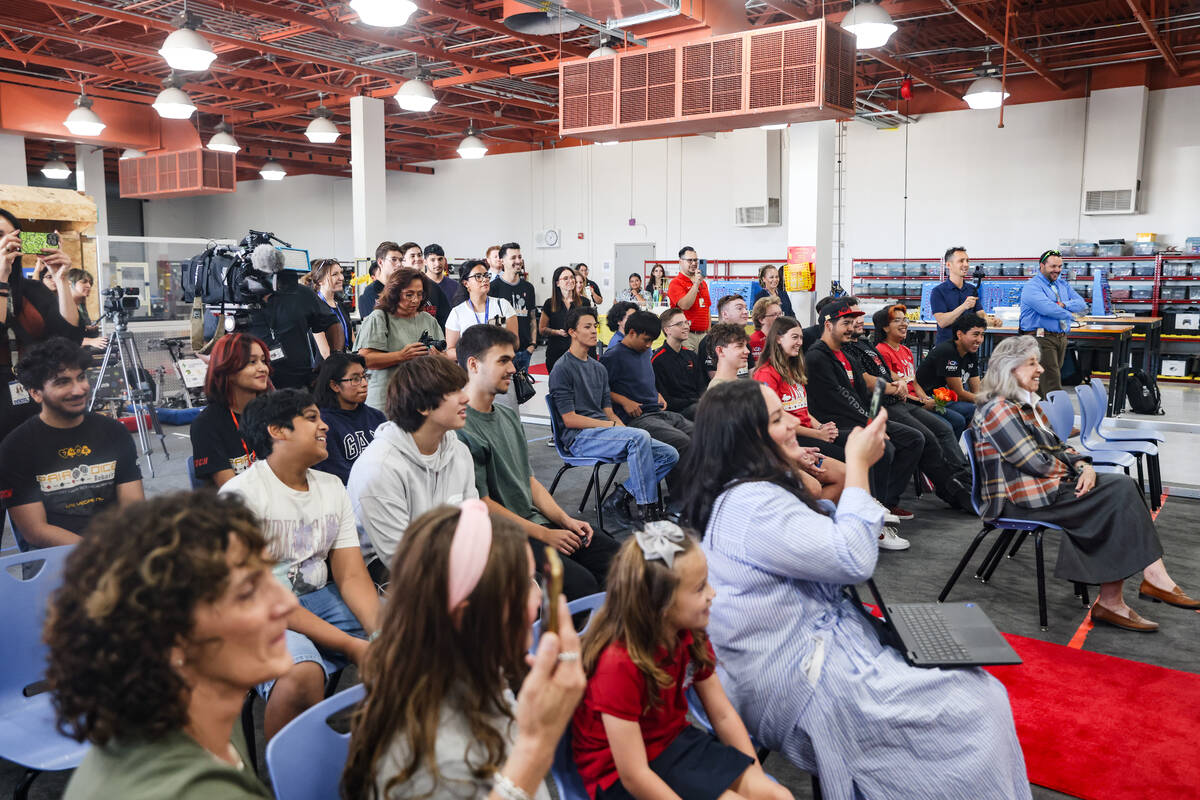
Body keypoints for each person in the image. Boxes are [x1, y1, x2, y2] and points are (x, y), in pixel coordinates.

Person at [680, 381, 1032, 800]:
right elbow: (851, 558)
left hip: (810, 653)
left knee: (976, 689)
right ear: (749, 439)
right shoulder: (752, 503)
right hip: (800, 677)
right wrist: (858, 467)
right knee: (979, 706)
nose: (794, 421)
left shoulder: (749, 492)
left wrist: (823, 475)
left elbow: (823, 537)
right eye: (778, 419)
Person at [47, 492, 292, 799]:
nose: (288, 602)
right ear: (171, 639)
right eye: (247, 592)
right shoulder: (197, 791)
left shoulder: (197, 712)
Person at [341, 503, 587, 800]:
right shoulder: (433, 754)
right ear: (467, 614)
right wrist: (539, 743)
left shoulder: (476, 675)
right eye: (524, 584)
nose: (537, 597)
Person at [973, 336, 1198, 631]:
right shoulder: (998, 409)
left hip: (1043, 488)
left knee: (1119, 490)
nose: (1040, 369)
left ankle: (1129, 593)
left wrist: (1082, 465)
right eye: (1031, 363)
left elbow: (1058, 446)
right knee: (1116, 493)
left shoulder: (1025, 404)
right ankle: (1132, 591)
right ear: (1009, 369)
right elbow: (1036, 462)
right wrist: (1078, 472)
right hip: (1020, 500)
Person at [572, 526, 789, 800]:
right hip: (618, 776)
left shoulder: (689, 631)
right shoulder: (618, 664)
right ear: (661, 605)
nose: (712, 594)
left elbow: (722, 714)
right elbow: (634, 775)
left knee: (777, 795)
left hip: (672, 744)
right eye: (700, 588)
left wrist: (755, 778)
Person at [220, 388, 380, 740]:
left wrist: (381, 633)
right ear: (277, 431)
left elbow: (351, 574)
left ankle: (396, 751)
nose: (324, 426)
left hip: (318, 597)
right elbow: (268, 601)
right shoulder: (240, 496)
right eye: (311, 419)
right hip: (256, 611)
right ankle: (290, 780)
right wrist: (354, 645)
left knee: (407, 637)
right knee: (301, 674)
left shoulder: (331, 485)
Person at [458, 324, 620, 599]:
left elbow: (529, 481)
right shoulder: (461, 429)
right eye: (503, 360)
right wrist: (544, 535)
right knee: (580, 585)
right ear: (474, 364)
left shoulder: (508, 416)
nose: (513, 368)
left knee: (615, 558)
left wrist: (565, 520)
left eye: (512, 359)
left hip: (535, 523)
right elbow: (483, 505)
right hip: (504, 535)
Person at [0, 337, 143, 548]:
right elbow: (35, 531)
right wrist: (97, 551)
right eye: (62, 382)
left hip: (118, 547)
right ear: (35, 393)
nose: (78, 390)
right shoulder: (16, 448)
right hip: (57, 560)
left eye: (81, 377)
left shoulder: (114, 432)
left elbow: (134, 506)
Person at [347, 355, 478, 580]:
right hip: (390, 570)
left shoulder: (458, 451)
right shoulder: (379, 468)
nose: (465, 397)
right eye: (454, 392)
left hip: (446, 556)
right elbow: (400, 557)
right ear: (423, 406)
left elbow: (472, 523)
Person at [549, 307, 679, 525]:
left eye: (595, 326)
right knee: (638, 438)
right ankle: (648, 513)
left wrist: (620, 427)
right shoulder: (562, 368)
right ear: (572, 332)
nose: (593, 331)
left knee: (670, 454)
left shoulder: (598, 368)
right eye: (587, 327)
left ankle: (620, 497)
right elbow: (569, 419)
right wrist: (610, 425)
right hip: (578, 438)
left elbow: (608, 410)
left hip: (601, 432)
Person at [844, 309, 972, 513]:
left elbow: (886, 371)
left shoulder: (866, 344)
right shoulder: (847, 349)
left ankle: (965, 481)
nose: (857, 322)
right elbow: (866, 380)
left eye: (858, 318)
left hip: (899, 400)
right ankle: (953, 491)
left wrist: (899, 381)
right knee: (924, 438)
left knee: (944, 429)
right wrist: (897, 387)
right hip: (880, 403)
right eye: (849, 320)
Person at [806, 301, 921, 523]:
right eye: (845, 323)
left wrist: (876, 419)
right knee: (883, 446)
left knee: (914, 439)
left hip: (857, 418)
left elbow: (862, 395)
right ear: (829, 325)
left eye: (852, 322)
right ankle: (869, 512)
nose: (851, 327)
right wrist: (871, 427)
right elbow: (843, 399)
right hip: (835, 424)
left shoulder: (847, 356)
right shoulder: (817, 357)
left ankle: (886, 502)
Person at [750, 317, 853, 508]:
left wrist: (821, 427)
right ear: (778, 338)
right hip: (792, 439)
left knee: (851, 456)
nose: (799, 342)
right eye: (794, 337)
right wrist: (817, 434)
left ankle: (818, 518)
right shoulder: (766, 373)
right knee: (845, 464)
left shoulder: (792, 368)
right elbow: (776, 420)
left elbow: (802, 410)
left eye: (801, 338)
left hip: (807, 434)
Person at [0, 210, 84, 443]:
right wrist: (1, 279)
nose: (7, 243)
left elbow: (69, 339)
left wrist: (61, 279)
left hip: (36, 401)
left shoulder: (32, 290)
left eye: (12, 236)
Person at [873, 305, 970, 468]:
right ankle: (948, 469)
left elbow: (914, 381)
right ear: (885, 327)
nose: (904, 324)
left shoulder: (906, 351)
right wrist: (920, 402)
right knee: (944, 427)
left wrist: (924, 397)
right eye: (897, 320)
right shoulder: (881, 352)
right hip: (904, 404)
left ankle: (950, 463)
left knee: (958, 420)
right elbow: (895, 390)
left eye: (905, 319)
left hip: (918, 401)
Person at [601, 310, 694, 472]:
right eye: (646, 340)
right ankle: (680, 494)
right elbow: (600, 391)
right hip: (636, 419)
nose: (649, 345)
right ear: (631, 333)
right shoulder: (613, 357)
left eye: (652, 341)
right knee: (681, 441)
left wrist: (656, 393)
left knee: (701, 432)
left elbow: (643, 379)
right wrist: (624, 401)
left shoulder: (644, 352)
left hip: (657, 413)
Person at [244, 246, 342, 390]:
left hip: (298, 383)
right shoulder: (235, 299)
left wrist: (333, 358)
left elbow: (332, 323)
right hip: (252, 385)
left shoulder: (299, 293)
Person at [354, 266, 447, 411]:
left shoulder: (428, 320)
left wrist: (439, 358)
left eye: (419, 294)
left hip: (419, 398)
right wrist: (401, 356)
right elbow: (364, 359)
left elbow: (444, 357)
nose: (415, 300)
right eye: (409, 295)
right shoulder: (379, 318)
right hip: (385, 399)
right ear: (394, 293)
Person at [189, 333, 272, 487]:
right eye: (252, 362)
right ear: (227, 369)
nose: (263, 368)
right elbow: (231, 490)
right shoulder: (206, 425)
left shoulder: (276, 412)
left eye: (264, 361)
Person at [1019, 249, 1088, 398]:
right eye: (1053, 266)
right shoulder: (1032, 286)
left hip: (1060, 338)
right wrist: (1071, 316)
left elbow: (1082, 304)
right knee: (1052, 382)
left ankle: (1039, 414)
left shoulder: (1062, 284)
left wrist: (1063, 304)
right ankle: (1054, 418)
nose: (1057, 270)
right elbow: (1047, 309)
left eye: (1059, 266)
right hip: (1040, 339)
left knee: (1044, 381)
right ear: (1042, 266)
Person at [312, 352, 386, 484]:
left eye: (365, 376)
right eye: (355, 379)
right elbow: (337, 474)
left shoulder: (377, 417)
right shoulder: (323, 424)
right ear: (334, 385)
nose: (364, 383)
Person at [916, 311, 987, 437]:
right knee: (962, 417)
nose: (980, 340)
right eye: (975, 334)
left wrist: (985, 401)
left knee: (980, 410)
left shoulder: (971, 353)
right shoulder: (948, 351)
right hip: (926, 399)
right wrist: (987, 401)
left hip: (944, 399)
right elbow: (959, 394)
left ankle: (965, 451)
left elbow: (977, 390)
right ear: (959, 334)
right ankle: (950, 454)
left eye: (982, 335)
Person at [445, 259, 518, 362]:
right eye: (478, 276)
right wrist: (477, 353)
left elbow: (515, 342)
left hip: (498, 367)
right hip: (470, 372)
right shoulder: (457, 312)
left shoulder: (502, 305)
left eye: (486, 275)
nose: (484, 279)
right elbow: (450, 351)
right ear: (466, 283)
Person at [488, 243, 539, 371]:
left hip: (525, 351)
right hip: (502, 352)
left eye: (519, 257)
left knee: (524, 390)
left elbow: (532, 317)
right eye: (513, 258)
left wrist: (532, 345)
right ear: (502, 261)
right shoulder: (493, 287)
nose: (518, 261)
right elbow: (490, 322)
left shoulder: (528, 287)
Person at [651, 307, 706, 421]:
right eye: (680, 324)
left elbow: (701, 386)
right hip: (675, 412)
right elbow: (666, 400)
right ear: (667, 330)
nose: (686, 327)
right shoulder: (658, 360)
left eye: (686, 322)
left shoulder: (691, 355)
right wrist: (696, 401)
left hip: (697, 405)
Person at [540, 264, 586, 374]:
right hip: (556, 353)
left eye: (572, 277)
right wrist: (556, 332)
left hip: (578, 353)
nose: (570, 280)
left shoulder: (584, 302)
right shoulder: (549, 303)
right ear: (557, 283)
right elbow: (542, 329)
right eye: (565, 278)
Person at [304, 258, 351, 360]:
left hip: (345, 361)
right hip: (328, 367)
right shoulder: (316, 308)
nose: (341, 277)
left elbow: (352, 339)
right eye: (335, 274)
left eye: (341, 273)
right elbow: (325, 352)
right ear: (320, 281)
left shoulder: (340, 305)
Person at [931, 246, 978, 344]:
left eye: (967, 261)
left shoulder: (971, 289)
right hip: (946, 349)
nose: (966, 264)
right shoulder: (938, 291)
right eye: (961, 261)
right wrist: (964, 307)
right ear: (949, 265)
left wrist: (993, 321)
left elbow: (981, 315)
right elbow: (942, 322)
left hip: (968, 348)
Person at [667, 246, 710, 350]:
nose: (694, 263)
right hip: (686, 336)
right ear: (681, 262)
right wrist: (695, 284)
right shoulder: (675, 283)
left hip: (704, 335)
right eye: (690, 260)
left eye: (695, 260)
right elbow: (685, 305)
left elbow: (707, 308)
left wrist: (709, 333)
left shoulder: (703, 283)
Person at [697, 294, 750, 379]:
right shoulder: (710, 341)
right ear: (725, 314)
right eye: (739, 308)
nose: (745, 312)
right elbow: (716, 379)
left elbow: (752, 371)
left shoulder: (743, 339)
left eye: (746, 308)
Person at [359, 241, 403, 318]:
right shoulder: (370, 292)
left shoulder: (401, 288)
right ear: (380, 262)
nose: (399, 264)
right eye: (394, 259)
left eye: (400, 260)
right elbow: (372, 325)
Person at [66, 268, 107, 350]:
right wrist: (91, 341)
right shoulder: (63, 307)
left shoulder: (81, 306)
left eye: (90, 283)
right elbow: (64, 337)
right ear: (69, 284)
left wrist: (88, 328)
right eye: (84, 282)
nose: (89, 286)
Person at [704, 322, 749, 389]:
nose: (747, 351)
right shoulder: (718, 389)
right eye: (739, 346)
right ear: (720, 351)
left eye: (746, 346)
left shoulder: (732, 385)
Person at [748, 297, 781, 366]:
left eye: (780, 314)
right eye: (774, 315)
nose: (779, 318)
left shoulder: (781, 338)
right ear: (761, 319)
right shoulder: (754, 341)